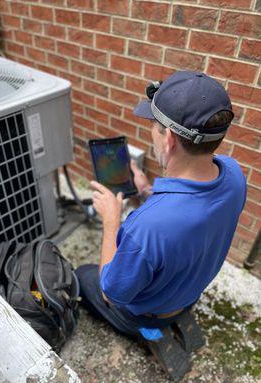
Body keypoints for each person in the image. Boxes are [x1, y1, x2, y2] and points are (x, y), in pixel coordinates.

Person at [75, 70, 247, 340]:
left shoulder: (146, 227)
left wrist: (111, 220)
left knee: (84, 275)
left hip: (147, 315)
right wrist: (146, 191)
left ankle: (146, 332)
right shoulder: (235, 174)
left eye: (154, 127)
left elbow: (112, 294)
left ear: (168, 139)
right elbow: (192, 211)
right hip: (189, 296)